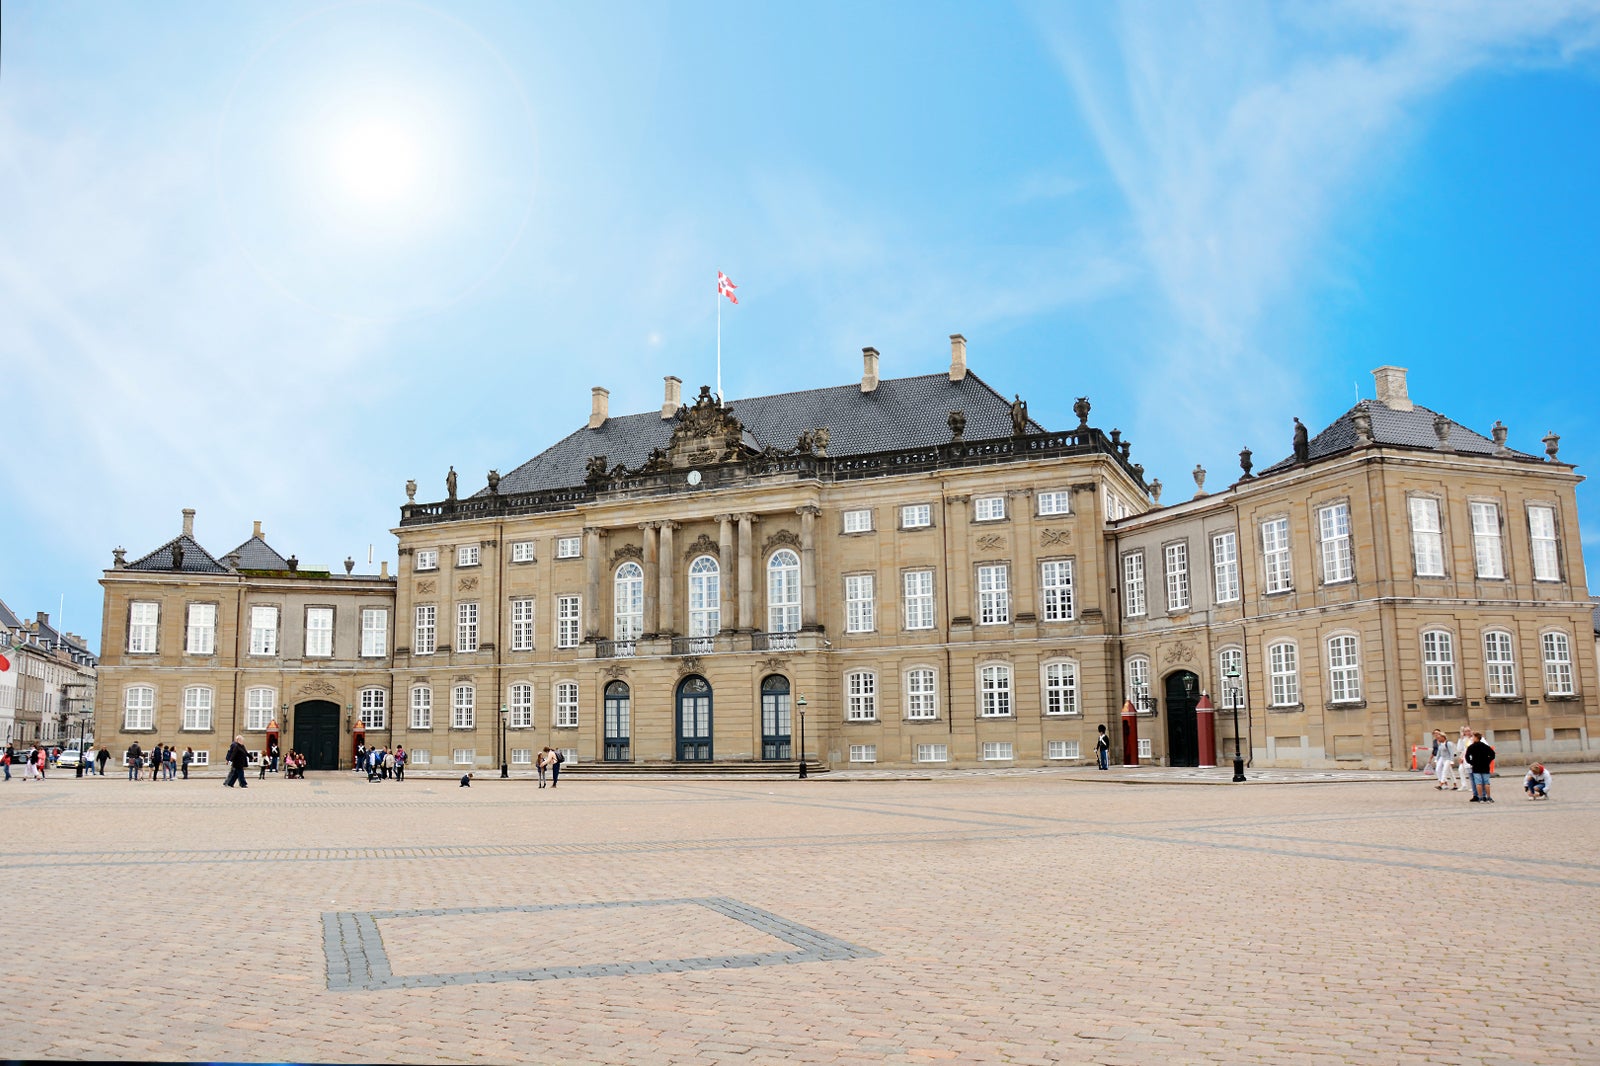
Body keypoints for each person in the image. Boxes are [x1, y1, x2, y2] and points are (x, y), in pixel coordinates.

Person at [1464, 731, 1496, 803]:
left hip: (1476, 766)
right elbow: (1492, 754)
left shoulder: (1471, 747)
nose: (1472, 738)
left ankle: (1480, 797)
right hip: (1485, 766)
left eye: (1473, 737)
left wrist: (1471, 762)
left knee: (1478, 783)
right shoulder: (1485, 746)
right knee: (1486, 782)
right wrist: (1488, 760)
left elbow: (1467, 756)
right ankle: (1488, 797)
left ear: (1476, 738)